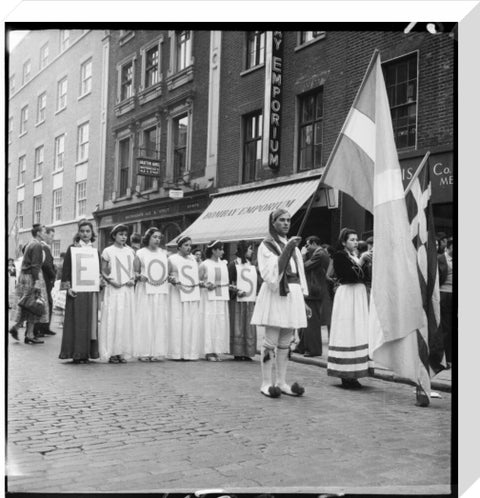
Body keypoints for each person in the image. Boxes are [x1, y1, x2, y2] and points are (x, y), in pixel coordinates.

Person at [251, 209, 311, 398]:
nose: (286, 223)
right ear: (273, 222)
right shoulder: (266, 245)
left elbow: (299, 273)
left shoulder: (291, 244)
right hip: (276, 293)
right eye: (281, 220)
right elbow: (270, 274)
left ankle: (282, 381)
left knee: (286, 341)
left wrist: (303, 298)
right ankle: (266, 382)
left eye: (288, 220)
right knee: (271, 340)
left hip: (292, 294)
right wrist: (287, 250)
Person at [327, 228, 373, 389]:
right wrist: (361, 262)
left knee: (358, 330)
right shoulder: (339, 256)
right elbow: (347, 275)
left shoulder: (355, 256)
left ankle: (356, 372)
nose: (355, 242)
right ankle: (345, 374)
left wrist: (365, 262)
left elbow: (364, 277)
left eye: (356, 239)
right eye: (351, 239)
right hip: (347, 294)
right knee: (347, 331)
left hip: (358, 295)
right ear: (343, 242)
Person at [59, 220, 101, 364]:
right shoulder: (72, 249)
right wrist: (68, 288)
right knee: (77, 321)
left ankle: (88, 353)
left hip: (90, 291)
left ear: (92, 233)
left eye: (88, 231)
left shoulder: (95, 250)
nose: (85, 234)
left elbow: (98, 271)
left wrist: (100, 282)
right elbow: (66, 271)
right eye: (82, 231)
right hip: (76, 291)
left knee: (90, 322)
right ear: (79, 232)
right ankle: (76, 353)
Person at [99, 224, 136, 364]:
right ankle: (112, 352)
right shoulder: (108, 251)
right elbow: (103, 270)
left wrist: (133, 279)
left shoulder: (130, 251)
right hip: (114, 289)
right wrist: (110, 281)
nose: (123, 237)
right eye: (120, 234)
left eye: (125, 235)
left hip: (127, 289)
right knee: (114, 318)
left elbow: (134, 270)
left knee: (125, 319)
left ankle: (122, 352)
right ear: (114, 235)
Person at [9, 224, 50, 344]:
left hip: (26, 276)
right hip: (32, 277)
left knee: (28, 305)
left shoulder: (30, 244)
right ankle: (28, 334)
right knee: (33, 305)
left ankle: (21, 330)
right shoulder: (37, 245)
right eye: (44, 231)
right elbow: (35, 265)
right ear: (38, 233)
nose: (45, 233)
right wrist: (37, 281)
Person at [133, 227, 169, 362]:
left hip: (160, 290)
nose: (157, 240)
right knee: (145, 318)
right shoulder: (140, 253)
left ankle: (157, 351)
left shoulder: (164, 253)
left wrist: (169, 278)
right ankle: (144, 351)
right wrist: (139, 277)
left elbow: (167, 271)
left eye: (159, 237)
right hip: (145, 290)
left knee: (159, 319)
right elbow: (134, 272)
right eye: (154, 237)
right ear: (148, 238)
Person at [297, 236, 332, 357]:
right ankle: (302, 346)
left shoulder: (320, 254)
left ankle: (314, 349)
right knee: (307, 320)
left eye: (307, 245)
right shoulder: (318, 253)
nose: (306, 248)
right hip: (313, 290)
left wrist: (302, 255)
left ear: (313, 243)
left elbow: (303, 267)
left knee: (312, 322)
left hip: (314, 291)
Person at [167, 236, 200, 360]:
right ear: (179, 246)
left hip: (191, 294)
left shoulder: (193, 260)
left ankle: (189, 352)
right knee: (177, 321)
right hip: (177, 294)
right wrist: (172, 279)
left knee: (190, 322)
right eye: (186, 245)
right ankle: (176, 352)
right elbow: (166, 275)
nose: (189, 248)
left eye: (190, 245)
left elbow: (195, 277)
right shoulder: (172, 259)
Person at [198, 240, 230, 361]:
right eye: (220, 249)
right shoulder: (204, 264)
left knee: (219, 323)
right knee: (209, 322)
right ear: (213, 250)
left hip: (221, 298)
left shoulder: (224, 264)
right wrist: (206, 285)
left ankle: (216, 350)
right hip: (208, 299)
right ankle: (208, 351)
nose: (223, 251)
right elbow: (197, 282)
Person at [228, 241, 257, 361]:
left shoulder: (250, 264)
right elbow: (228, 283)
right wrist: (236, 290)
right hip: (238, 300)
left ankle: (247, 351)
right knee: (238, 324)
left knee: (248, 324)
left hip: (249, 300)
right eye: (250, 249)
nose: (252, 251)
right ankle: (238, 352)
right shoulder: (233, 264)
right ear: (244, 250)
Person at [33, 227, 57, 338]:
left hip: (45, 280)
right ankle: (40, 328)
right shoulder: (44, 247)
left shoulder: (44, 247)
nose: (52, 238)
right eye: (51, 236)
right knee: (44, 303)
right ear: (45, 235)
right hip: (45, 280)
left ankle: (44, 327)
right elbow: (47, 265)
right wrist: (53, 275)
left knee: (46, 303)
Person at [438, 237, 453, 369]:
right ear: (448, 248)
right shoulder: (440, 259)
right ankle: (446, 358)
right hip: (444, 294)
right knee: (446, 327)